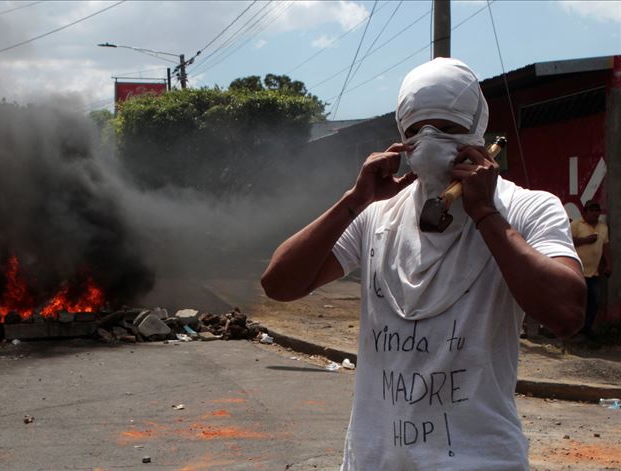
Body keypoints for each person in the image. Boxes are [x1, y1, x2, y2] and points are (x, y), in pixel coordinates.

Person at [261, 58, 585, 470]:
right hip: (373, 460)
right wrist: (354, 200)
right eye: (415, 130)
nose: (429, 140)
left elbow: (566, 313)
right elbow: (279, 284)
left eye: (447, 128)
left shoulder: (526, 208)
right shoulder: (377, 213)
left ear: (477, 132)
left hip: (479, 461)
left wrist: (484, 212)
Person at [571, 200, 612, 337]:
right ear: (586, 212)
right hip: (577, 271)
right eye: (592, 211)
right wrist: (585, 240)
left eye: (597, 211)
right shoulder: (576, 224)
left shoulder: (603, 227)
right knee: (576, 302)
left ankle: (586, 329)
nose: (595, 214)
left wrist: (609, 264)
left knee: (594, 300)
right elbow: (567, 242)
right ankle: (572, 330)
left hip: (593, 273)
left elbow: (605, 246)